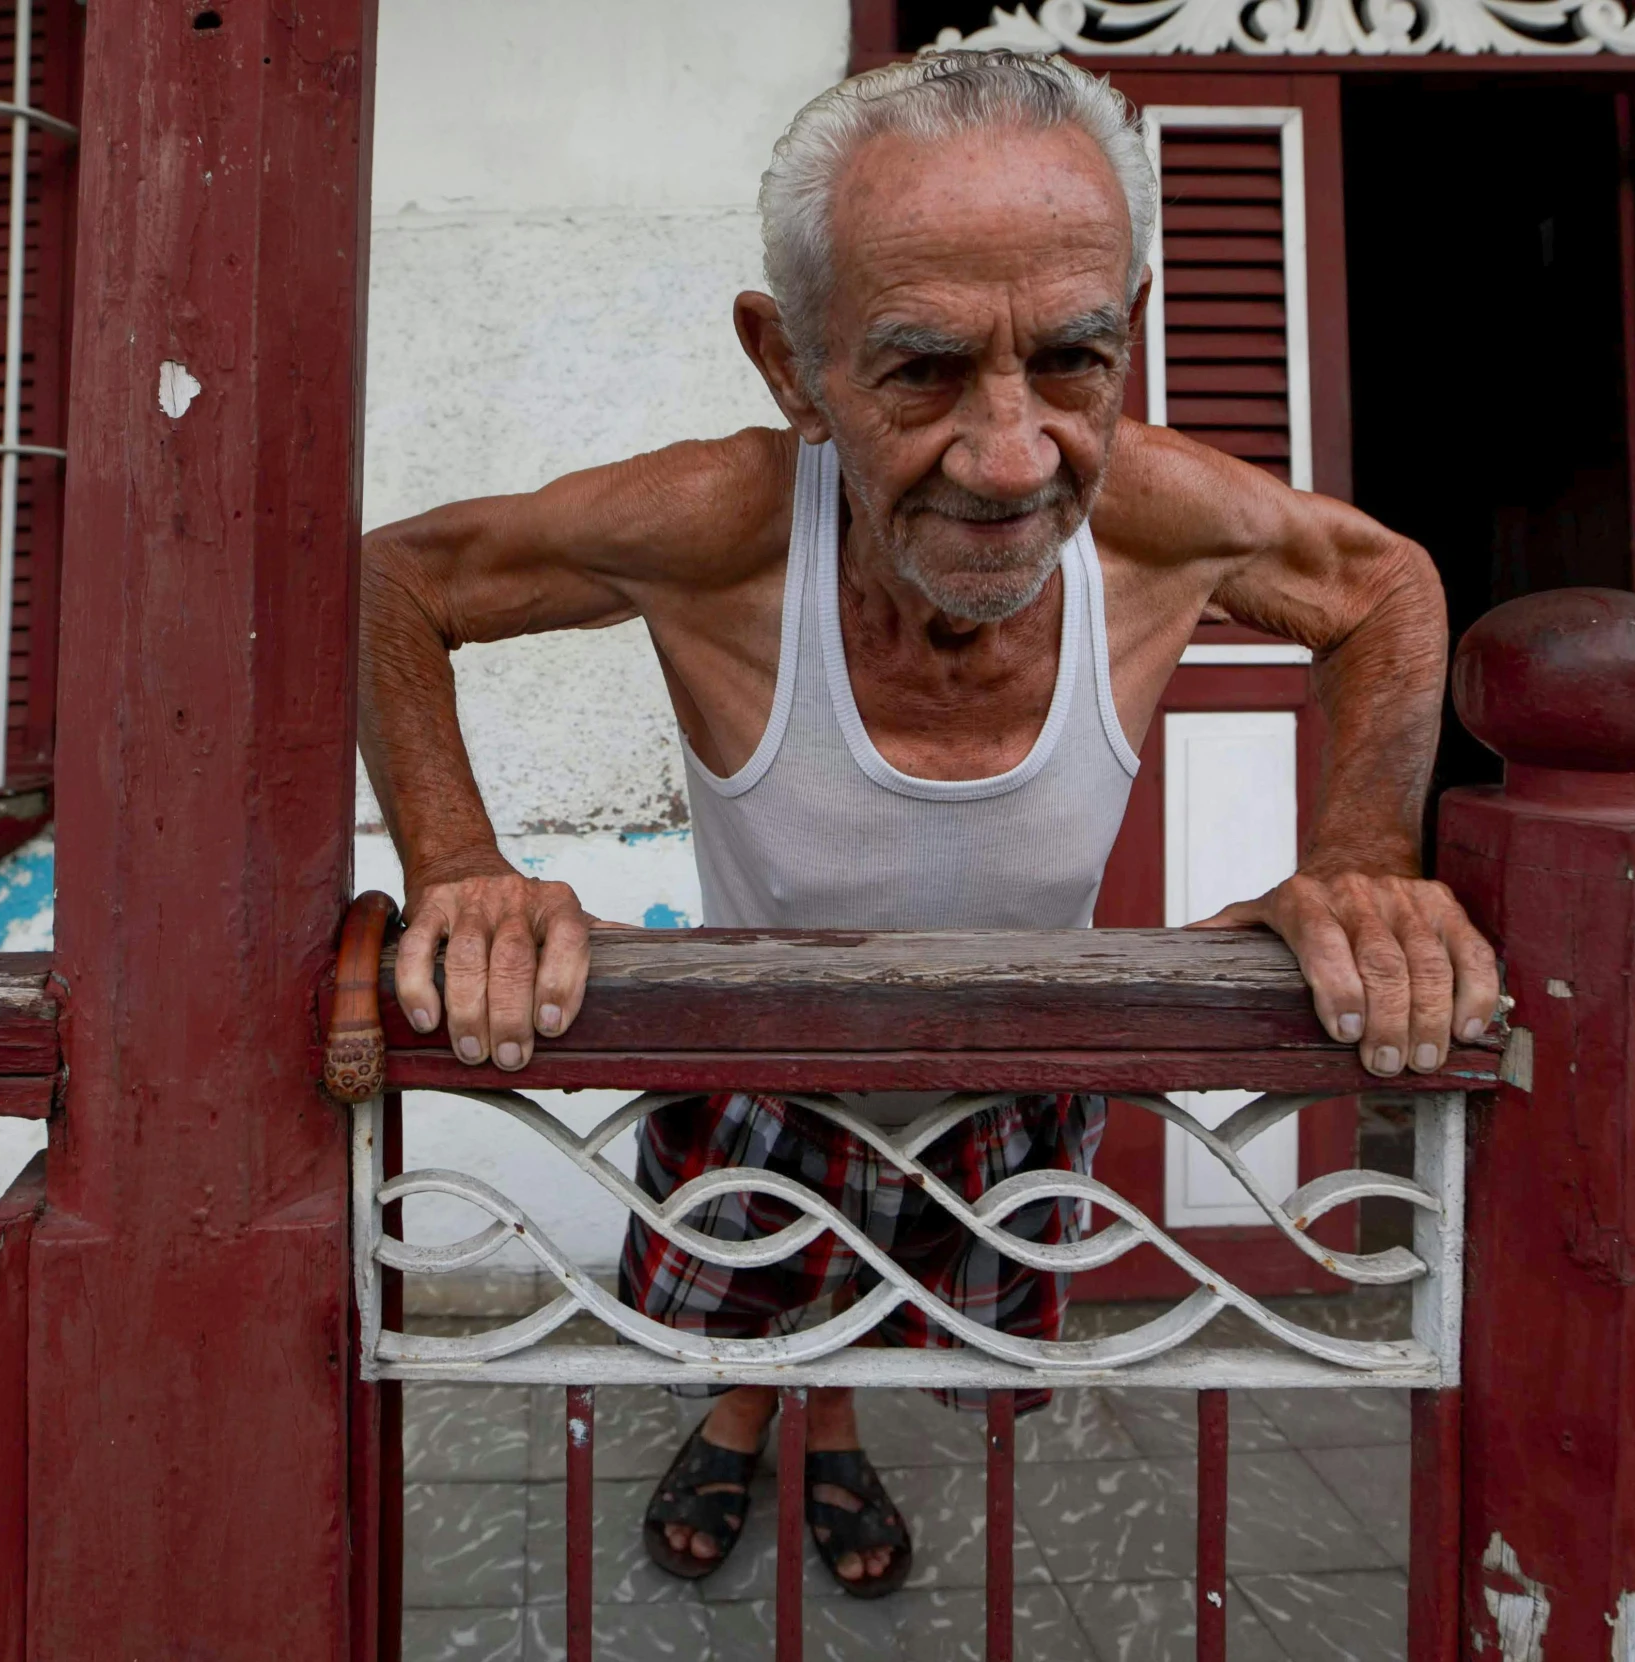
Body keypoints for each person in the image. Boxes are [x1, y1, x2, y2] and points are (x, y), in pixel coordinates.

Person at [357, 49, 1498, 1599]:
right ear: (792, 367)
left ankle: (831, 1438)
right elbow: (398, 581)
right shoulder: (723, 526)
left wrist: (1364, 854)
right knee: (760, 1296)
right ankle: (749, 1426)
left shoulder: (1164, 517)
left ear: (1131, 336)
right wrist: (460, 866)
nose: (1015, 456)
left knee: (882, 1332)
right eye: (922, 370)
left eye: (1073, 362)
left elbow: (1387, 585)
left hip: (1007, 1078)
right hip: (765, 1060)